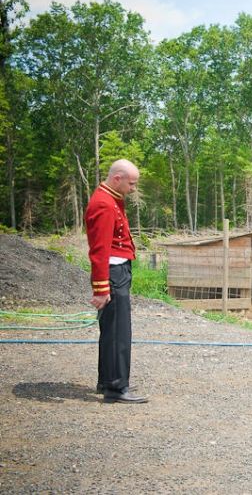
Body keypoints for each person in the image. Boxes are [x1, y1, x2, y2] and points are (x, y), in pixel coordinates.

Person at [85, 159, 148, 404]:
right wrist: (101, 288)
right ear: (117, 178)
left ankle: (106, 380)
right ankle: (116, 386)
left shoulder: (111, 199)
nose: (133, 189)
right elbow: (99, 250)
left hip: (117, 269)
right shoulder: (104, 204)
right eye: (131, 184)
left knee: (112, 329)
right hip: (113, 272)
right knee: (118, 331)